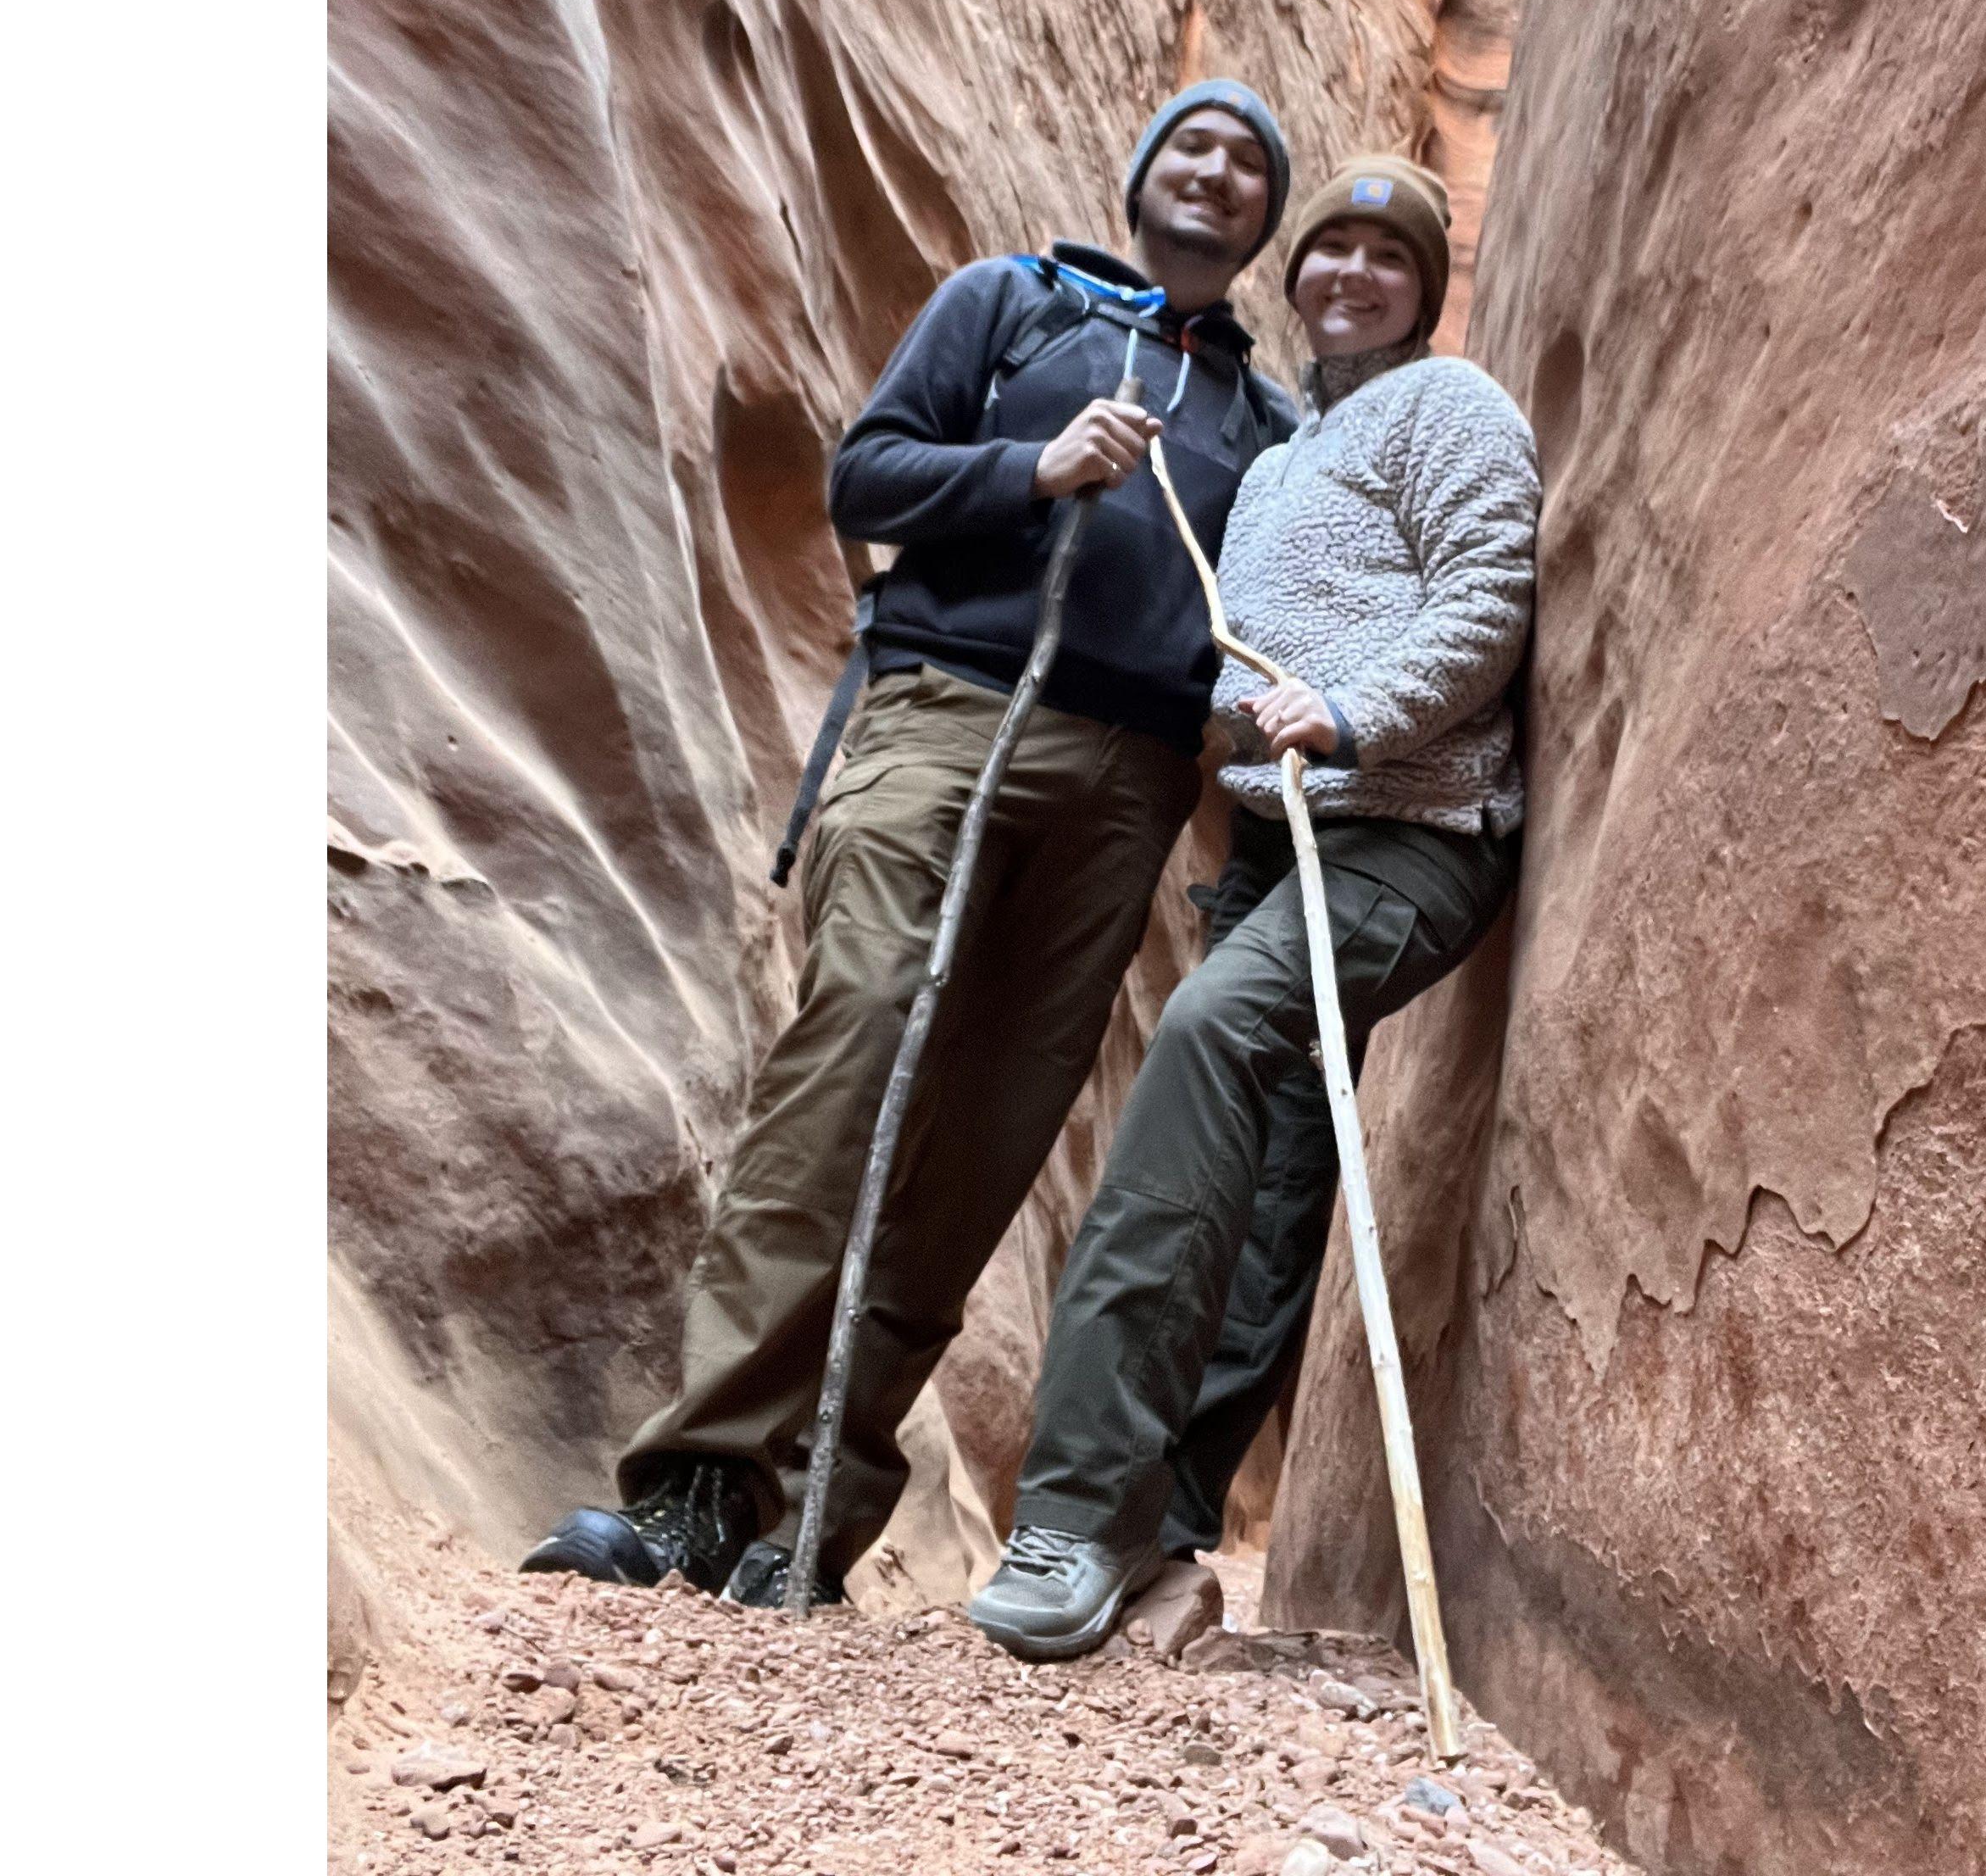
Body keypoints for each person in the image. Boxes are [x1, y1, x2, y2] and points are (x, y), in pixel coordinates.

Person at [520, 81, 1296, 1606]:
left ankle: (811, 1525)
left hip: (1128, 783)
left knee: (984, 1139)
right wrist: (1032, 469)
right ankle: (697, 1485)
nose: (1217, 172)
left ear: (1262, 221)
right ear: (1144, 176)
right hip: (946, 715)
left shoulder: (1262, 426)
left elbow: (1256, 617)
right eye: (1193, 146)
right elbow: (863, 478)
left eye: (1248, 165)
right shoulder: (1008, 305)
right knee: (856, 1043)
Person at [965, 154, 1540, 1660]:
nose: (1351, 271)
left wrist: (1348, 712)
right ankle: (1162, 1528)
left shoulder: (1453, 410)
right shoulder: (1281, 464)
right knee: (1271, 1181)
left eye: (1387, 253)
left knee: (1210, 1037)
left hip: (1412, 829)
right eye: (1330, 248)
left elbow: (1486, 601)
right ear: (1301, 281)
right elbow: (1240, 651)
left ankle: (1075, 1512)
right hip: (1280, 845)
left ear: (1425, 286)